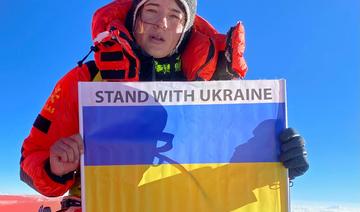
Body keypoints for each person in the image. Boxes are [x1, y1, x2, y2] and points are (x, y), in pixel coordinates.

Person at [20, 0, 309, 211]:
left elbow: (221, 176)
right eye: (151, 10)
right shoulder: (86, 81)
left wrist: (276, 165)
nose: (162, 23)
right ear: (134, 17)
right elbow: (29, 160)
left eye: (175, 15)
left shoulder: (216, 92)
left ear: (185, 28)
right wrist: (54, 168)